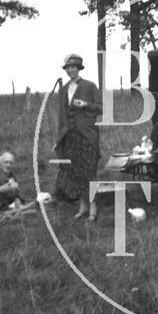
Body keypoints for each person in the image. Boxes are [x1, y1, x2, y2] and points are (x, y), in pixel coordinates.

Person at [54, 53, 103, 221]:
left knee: (89, 171)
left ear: (79, 69)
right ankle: (82, 207)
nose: (71, 70)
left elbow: (101, 108)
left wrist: (86, 105)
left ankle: (93, 209)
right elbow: (62, 115)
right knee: (76, 173)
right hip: (70, 136)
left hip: (87, 135)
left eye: (74, 67)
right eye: (68, 67)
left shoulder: (89, 86)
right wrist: (59, 137)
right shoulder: (63, 90)